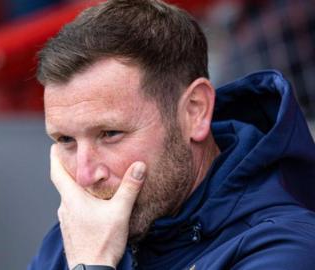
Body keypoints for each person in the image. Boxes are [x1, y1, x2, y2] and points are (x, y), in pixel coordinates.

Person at [29, 0, 315, 269]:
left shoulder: (287, 248)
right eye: (66, 140)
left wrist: (92, 263)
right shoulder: (81, 234)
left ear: (195, 111)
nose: (85, 176)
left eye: (110, 133)